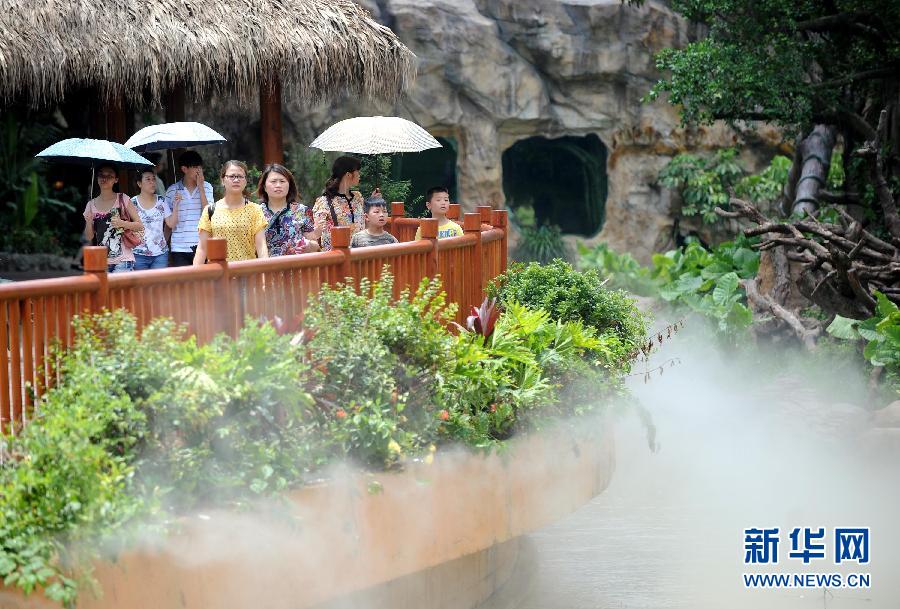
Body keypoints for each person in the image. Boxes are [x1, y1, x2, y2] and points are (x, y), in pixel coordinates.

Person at [194, 160, 268, 264]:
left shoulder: (255, 210)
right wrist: (196, 277)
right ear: (223, 180)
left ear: (246, 181)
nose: (236, 180)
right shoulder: (210, 210)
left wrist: (264, 275)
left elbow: (261, 246)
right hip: (218, 275)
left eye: (240, 176)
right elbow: (202, 248)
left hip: (247, 273)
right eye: (232, 176)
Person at [82, 164, 143, 273]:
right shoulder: (91, 205)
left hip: (123, 259)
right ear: (97, 178)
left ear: (116, 180)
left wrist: (122, 223)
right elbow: (89, 236)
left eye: (109, 176)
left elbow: (139, 225)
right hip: (102, 261)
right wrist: (88, 222)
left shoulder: (123, 199)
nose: (104, 178)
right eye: (101, 175)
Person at [257, 163, 324, 256]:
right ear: (264, 186)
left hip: (297, 267)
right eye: (273, 181)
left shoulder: (301, 210)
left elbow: (315, 245)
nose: (278, 185)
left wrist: (308, 246)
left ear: (289, 185)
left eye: (282, 181)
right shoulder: (256, 212)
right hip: (268, 268)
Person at [165, 150, 213, 266]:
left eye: (200, 167)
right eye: (195, 167)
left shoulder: (207, 187)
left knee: (203, 283)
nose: (199, 170)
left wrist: (201, 188)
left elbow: (208, 213)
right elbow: (169, 222)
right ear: (184, 169)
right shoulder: (172, 190)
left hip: (202, 244)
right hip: (179, 247)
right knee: (184, 283)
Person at [312, 156, 367, 251]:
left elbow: (364, 223)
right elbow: (317, 233)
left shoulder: (358, 197)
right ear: (348, 175)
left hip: (359, 254)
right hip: (336, 257)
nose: (359, 175)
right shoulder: (324, 202)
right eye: (358, 171)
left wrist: (375, 200)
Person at [131, 168, 173, 270]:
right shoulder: (132, 203)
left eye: (153, 179)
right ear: (139, 184)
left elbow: (170, 224)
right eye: (148, 179)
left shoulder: (161, 201)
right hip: (138, 253)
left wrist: (163, 241)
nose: (152, 182)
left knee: (159, 285)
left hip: (160, 254)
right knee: (141, 285)